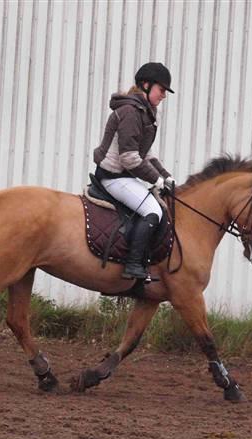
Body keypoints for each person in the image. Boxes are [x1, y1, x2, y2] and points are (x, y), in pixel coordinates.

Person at [93, 62, 176, 280]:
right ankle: (133, 265)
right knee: (153, 211)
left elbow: (146, 154)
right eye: (162, 90)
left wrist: (166, 176)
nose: (164, 95)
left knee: (158, 206)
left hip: (124, 176)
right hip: (113, 177)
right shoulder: (130, 112)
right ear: (146, 85)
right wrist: (156, 179)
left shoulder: (146, 112)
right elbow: (129, 158)